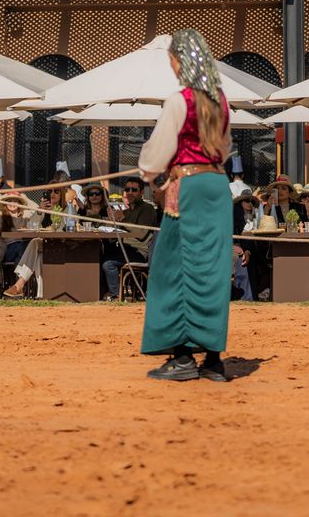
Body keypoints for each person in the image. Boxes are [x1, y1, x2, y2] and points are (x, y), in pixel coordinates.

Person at [138, 29, 232, 383]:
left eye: (171, 60)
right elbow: (223, 149)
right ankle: (213, 359)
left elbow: (157, 152)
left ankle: (181, 357)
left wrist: (150, 172)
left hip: (188, 186)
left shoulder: (180, 100)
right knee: (211, 269)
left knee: (173, 267)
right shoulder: (220, 100)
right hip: (216, 186)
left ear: (179, 61)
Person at [102, 176, 158, 302]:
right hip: (125, 248)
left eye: (134, 189)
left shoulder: (147, 209)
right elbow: (112, 237)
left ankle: (116, 296)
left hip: (140, 252)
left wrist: (122, 221)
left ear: (142, 192)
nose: (130, 192)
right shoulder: (127, 212)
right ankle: (105, 293)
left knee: (108, 263)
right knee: (100, 253)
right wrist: (112, 219)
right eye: (128, 189)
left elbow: (141, 233)